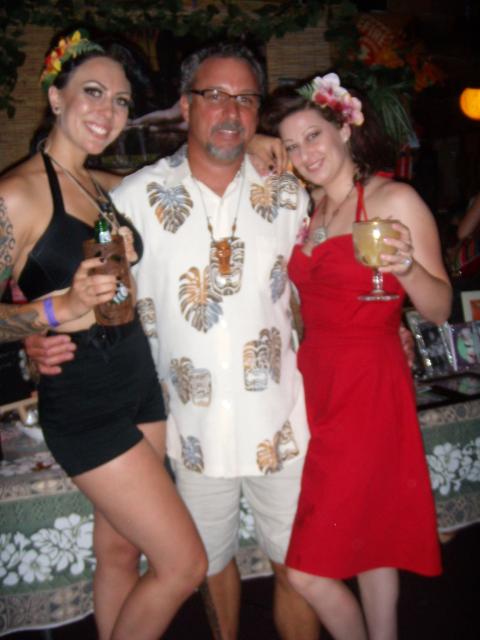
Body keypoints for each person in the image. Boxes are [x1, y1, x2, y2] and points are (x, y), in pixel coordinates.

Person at [25, 41, 320, 640]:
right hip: (189, 428)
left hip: (281, 423)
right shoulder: (132, 202)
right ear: (185, 107)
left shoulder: (291, 195)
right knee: (206, 567)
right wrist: (38, 335)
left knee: (300, 570)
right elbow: (66, 285)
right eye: (215, 96)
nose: (231, 111)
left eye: (246, 99)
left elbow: (317, 290)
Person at [0, 29, 209, 640]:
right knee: (183, 565)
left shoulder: (106, 187)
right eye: (92, 92)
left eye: (120, 101)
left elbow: (187, 170)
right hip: (84, 394)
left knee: (121, 552)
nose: (108, 111)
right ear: (56, 96)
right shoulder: (14, 196)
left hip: (138, 379)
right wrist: (56, 310)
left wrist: (264, 140)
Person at [261, 73, 452, 639]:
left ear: (345, 129)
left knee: (306, 572)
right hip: (316, 385)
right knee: (369, 533)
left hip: (367, 386)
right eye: (292, 146)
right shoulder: (310, 210)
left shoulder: (394, 199)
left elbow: (440, 308)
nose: (305, 155)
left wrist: (406, 269)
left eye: (314, 136)